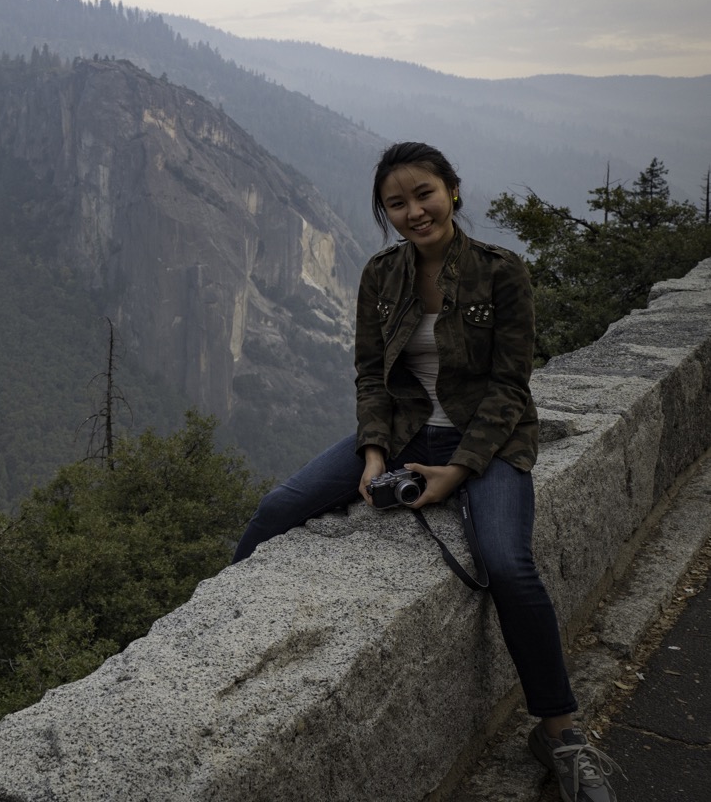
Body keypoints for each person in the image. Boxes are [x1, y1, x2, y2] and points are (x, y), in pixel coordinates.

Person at [231, 142, 619, 802]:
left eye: (424, 194)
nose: (414, 211)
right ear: (385, 213)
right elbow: (370, 375)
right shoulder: (382, 275)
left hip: (487, 441)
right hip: (403, 430)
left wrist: (456, 473)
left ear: (452, 192)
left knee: (507, 563)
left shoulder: (500, 271)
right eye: (397, 203)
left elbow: (510, 387)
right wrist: (373, 454)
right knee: (275, 508)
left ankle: (560, 734)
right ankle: (227, 637)